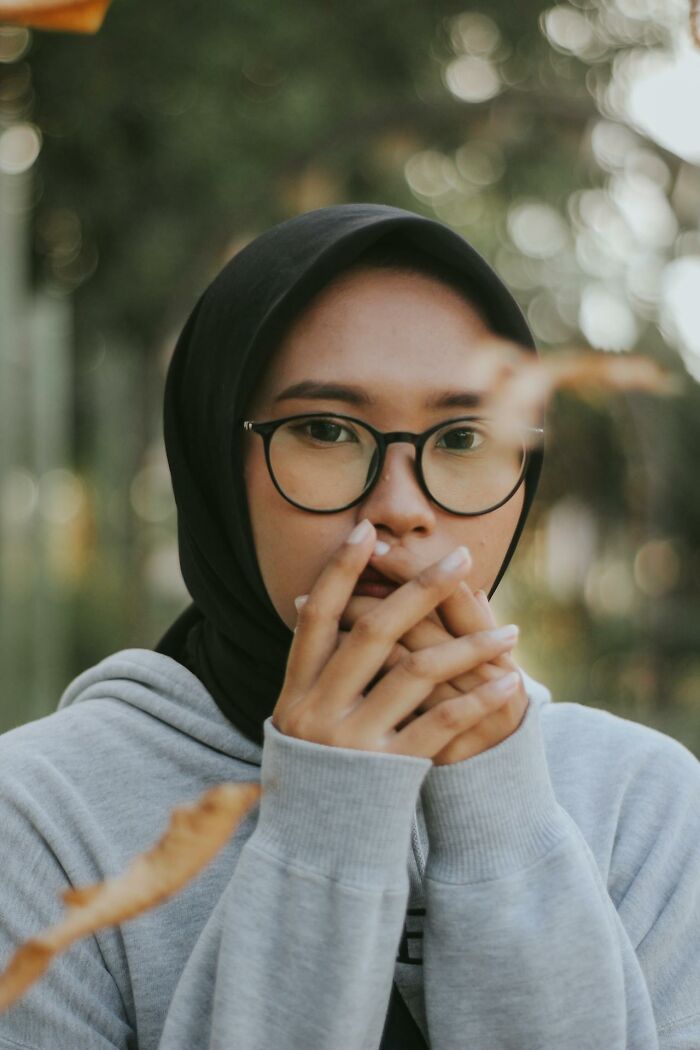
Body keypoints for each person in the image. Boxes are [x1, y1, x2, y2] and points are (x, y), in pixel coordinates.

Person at [0, 204, 699, 1050]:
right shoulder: (41, 818)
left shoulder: (644, 806)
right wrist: (328, 825)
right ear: (215, 459)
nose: (400, 507)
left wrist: (498, 817)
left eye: (464, 436)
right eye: (325, 429)